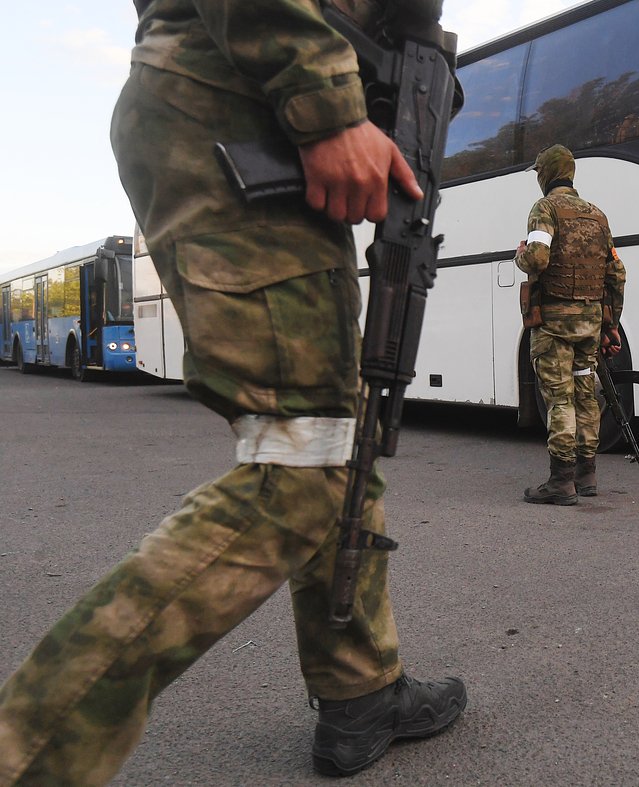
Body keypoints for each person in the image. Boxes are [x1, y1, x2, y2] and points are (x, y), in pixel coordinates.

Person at [0, 0, 466, 783]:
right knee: (300, 467)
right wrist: (323, 104)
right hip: (244, 90)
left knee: (332, 431)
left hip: (241, 91)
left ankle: (362, 690)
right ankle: (28, 755)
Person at [515, 144, 627, 506]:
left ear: (546, 173)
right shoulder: (598, 215)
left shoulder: (544, 209)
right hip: (590, 323)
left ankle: (561, 481)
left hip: (554, 325)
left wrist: (519, 254)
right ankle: (587, 475)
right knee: (585, 394)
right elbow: (616, 273)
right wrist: (612, 324)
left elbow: (537, 257)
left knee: (559, 398)